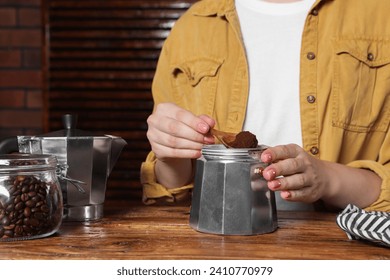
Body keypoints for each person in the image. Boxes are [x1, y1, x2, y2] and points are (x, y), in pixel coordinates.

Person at [141, 0, 390, 212]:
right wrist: (170, 156)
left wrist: (327, 179)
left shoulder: (381, 15)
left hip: (342, 252)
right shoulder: (192, 26)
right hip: (216, 250)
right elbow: (170, 196)